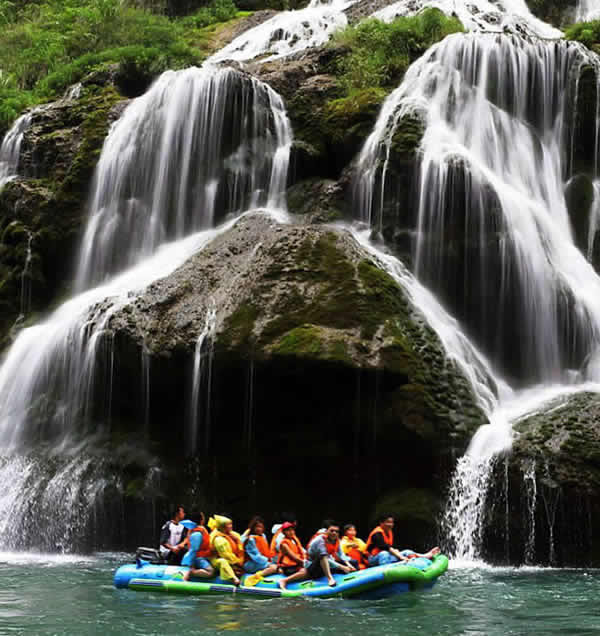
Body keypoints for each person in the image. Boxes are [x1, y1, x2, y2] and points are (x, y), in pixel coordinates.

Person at [279, 520, 354, 589]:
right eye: (332, 531)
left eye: (336, 532)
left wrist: (349, 565)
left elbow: (341, 554)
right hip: (293, 567)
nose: (334, 533)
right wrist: (342, 567)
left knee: (353, 562)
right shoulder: (320, 540)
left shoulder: (294, 540)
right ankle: (330, 578)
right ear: (326, 531)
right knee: (314, 564)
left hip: (314, 563)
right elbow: (295, 558)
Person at [366, 514, 440, 566]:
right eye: (388, 522)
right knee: (384, 554)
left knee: (407, 552)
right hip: (373, 559)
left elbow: (390, 547)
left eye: (392, 522)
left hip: (387, 556)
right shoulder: (377, 534)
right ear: (381, 523)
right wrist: (400, 557)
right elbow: (385, 547)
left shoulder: (389, 532)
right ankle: (386, 571)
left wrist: (397, 553)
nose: (390, 524)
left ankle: (425, 555)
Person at [208, 514, 245, 585]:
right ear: (223, 526)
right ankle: (234, 578)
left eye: (231, 524)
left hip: (235, 560)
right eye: (228, 524)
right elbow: (225, 555)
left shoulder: (234, 535)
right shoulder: (218, 539)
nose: (231, 526)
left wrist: (237, 541)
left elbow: (241, 548)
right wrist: (238, 563)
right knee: (223, 561)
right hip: (217, 559)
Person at [242, 516, 279, 586]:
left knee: (278, 568)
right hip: (251, 563)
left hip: (261, 562)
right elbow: (256, 556)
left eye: (261, 527)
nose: (259, 529)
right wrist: (268, 562)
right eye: (257, 527)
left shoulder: (263, 536)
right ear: (253, 528)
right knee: (274, 568)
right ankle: (253, 578)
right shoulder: (250, 539)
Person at [180, 512, 214, 581]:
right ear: (201, 520)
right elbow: (193, 550)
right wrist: (191, 564)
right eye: (203, 517)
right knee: (210, 572)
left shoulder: (198, 530)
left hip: (203, 556)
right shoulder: (197, 533)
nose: (204, 519)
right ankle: (192, 573)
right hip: (199, 557)